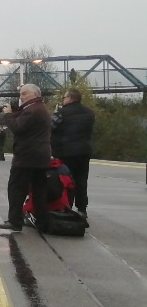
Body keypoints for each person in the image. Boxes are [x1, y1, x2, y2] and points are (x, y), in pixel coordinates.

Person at [0, 84, 52, 233]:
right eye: (21, 94)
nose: (21, 97)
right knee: (39, 190)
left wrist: (7, 114)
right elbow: (23, 123)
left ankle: (15, 221)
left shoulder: (32, 110)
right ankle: (42, 222)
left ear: (34, 94)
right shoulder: (38, 108)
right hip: (40, 156)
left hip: (27, 156)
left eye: (24, 93)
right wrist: (13, 113)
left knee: (16, 189)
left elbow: (18, 127)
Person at [51, 88, 95, 217]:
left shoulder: (61, 113)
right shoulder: (89, 113)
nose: (63, 100)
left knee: (66, 180)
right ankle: (82, 208)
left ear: (70, 98)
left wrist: (55, 113)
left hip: (65, 152)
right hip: (83, 151)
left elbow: (51, 127)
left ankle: (67, 206)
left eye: (64, 97)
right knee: (81, 180)